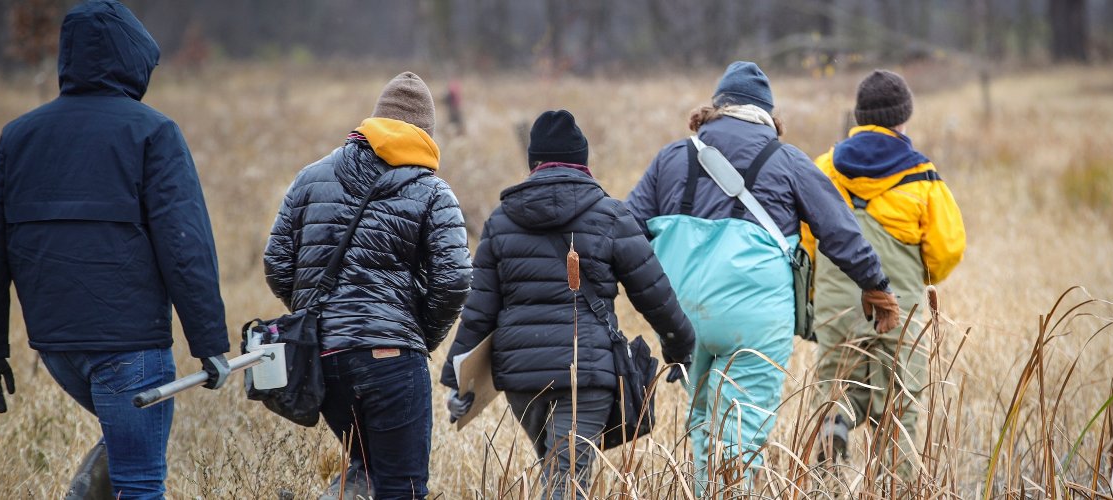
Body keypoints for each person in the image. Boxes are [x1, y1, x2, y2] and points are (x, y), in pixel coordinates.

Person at [0, 1, 231, 498]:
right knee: (140, 481)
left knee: (123, 455)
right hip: (131, 347)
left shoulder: (19, 136)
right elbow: (184, 245)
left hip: (57, 345)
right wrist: (209, 343)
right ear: (133, 58)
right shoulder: (154, 131)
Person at [624, 61, 902, 488]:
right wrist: (875, 284)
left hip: (681, 316)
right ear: (767, 116)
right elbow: (837, 228)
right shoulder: (785, 159)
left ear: (717, 109)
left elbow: (626, 230)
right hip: (754, 318)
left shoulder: (672, 157)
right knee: (741, 426)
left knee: (702, 422)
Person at [442, 110, 695, 500]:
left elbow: (479, 311)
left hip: (522, 378)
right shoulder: (611, 215)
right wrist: (681, 347)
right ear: (583, 162)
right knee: (565, 480)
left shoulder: (500, 221)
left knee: (558, 473)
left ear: (534, 163)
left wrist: (458, 380)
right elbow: (655, 295)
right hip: (586, 374)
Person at [263, 71, 471, 499]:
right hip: (392, 362)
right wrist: (417, 335)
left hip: (325, 361)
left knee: (367, 472)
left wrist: (320, 319)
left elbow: (277, 263)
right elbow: (454, 280)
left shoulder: (310, 177)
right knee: (402, 487)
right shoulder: (432, 190)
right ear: (425, 135)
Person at [803, 69, 966, 478]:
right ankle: (897, 485)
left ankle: (832, 445)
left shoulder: (824, 168)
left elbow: (804, 243)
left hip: (835, 305)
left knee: (835, 388)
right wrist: (920, 273)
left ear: (859, 117)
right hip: (899, 305)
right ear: (903, 118)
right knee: (899, 407)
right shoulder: (923, 176)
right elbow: (948, 250)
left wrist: (814, 294)